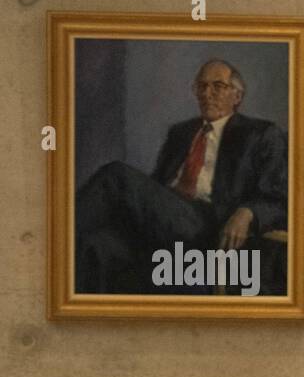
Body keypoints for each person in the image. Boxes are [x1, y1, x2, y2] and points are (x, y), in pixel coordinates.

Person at [75, 59, 288, 294]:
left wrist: (247, 212)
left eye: (218, 86)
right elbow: (155, 191)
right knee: (94, 244)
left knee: (116, 175)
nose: (207, 94)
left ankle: (56, 236)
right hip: (166, 220)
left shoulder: (261, 134)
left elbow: (278, 197)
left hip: (209, 224)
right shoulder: (181, 132)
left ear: (237, 96)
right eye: (202, 86)